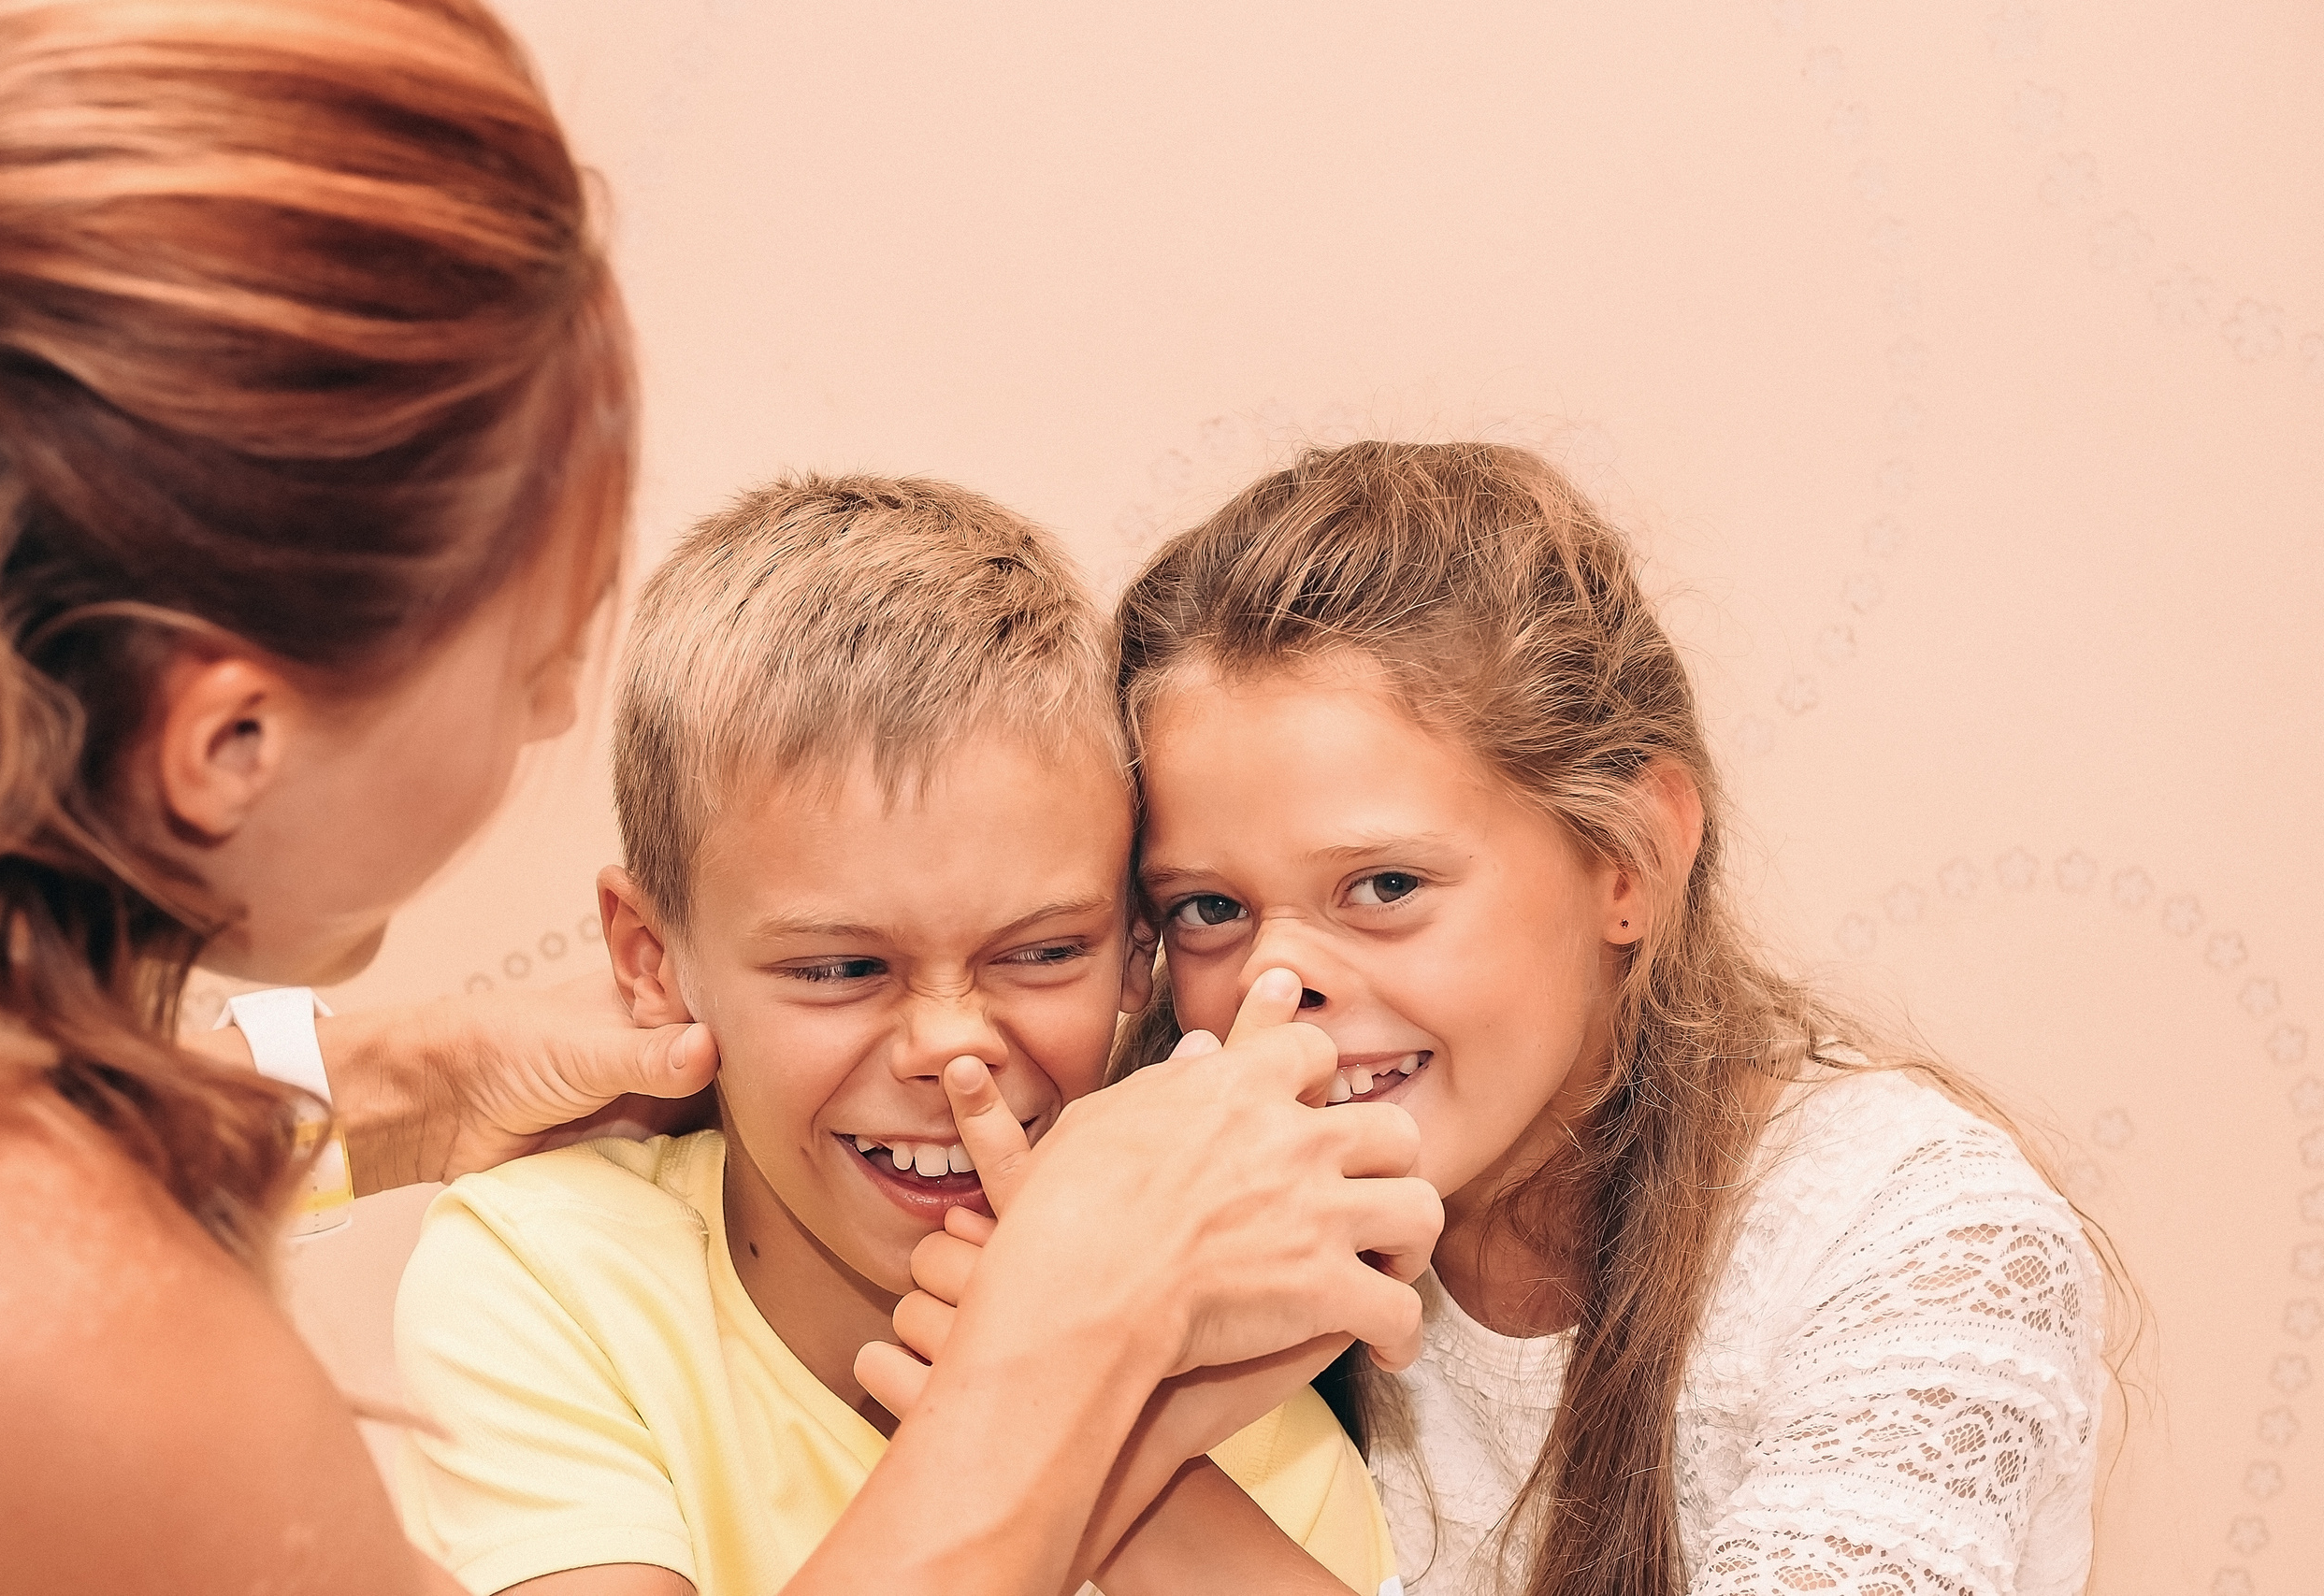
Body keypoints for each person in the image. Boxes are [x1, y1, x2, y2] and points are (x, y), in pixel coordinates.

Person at [0, 7, 1437, 1592]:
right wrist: (1064, 1347)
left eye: (1041, 947)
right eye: (529, 645)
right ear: (227, 741)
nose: (555, 703)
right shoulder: (70, 1327)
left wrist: (404, 1080)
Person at [879, 440, 2112, 1596]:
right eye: (1211, 905)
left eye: (1385, 885)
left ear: (1629, 858)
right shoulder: (1164, 1205)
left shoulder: (1913, 1231)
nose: (1276, 980)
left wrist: (1106, 1442)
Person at [396, 475, 1403, 1596]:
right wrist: (1060, 1345)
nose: (951, 1047)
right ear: (649, 959)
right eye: (839, 969)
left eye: (1039, 952)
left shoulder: (1257, 1405)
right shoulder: (554, 1278)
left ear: (1136, 949)